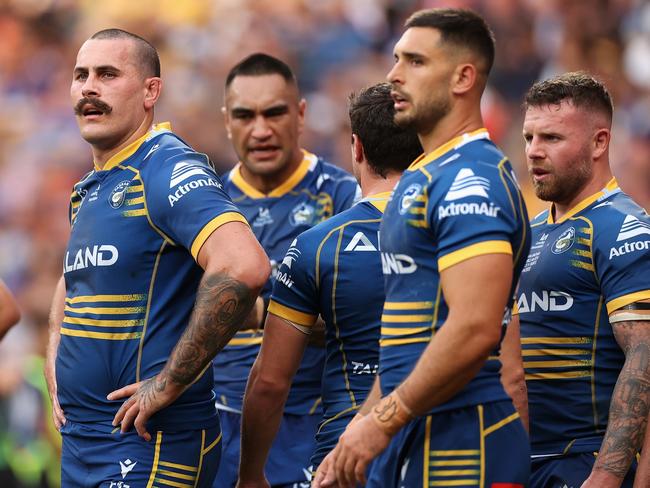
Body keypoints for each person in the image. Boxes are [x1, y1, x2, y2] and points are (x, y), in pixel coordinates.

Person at [44, 29, 270, 487]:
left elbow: (243, 266)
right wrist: (54, 353)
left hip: (148, 443)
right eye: (80, 75)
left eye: (108, 74)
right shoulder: (91, 186)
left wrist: (169, 382)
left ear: (151, 91)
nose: (89, 86)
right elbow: (77, 279)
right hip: (83, 442)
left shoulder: (166, 167)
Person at [316, 8, 531, 488]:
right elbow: (404, 336)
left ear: (463, 77)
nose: (393, 75)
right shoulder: (426, 176)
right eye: (395, 58)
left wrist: (382, 420)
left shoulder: (470, 178)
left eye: (415, 62)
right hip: (410, 430)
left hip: (463, 438)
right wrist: (362, 424)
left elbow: (475, 328)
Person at [236, 82, 422, 488]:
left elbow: (269, 382)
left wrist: (250, 475)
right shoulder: (467, 237)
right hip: (446, 446)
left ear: (356, 147)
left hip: (344, 456)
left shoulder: (318, 245)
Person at [213, 53, 359, 488]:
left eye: (274, 112)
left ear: (299, 114)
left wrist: (257, 315)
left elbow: (366, 321)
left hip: (313, 421)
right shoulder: (205, 204)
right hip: (215, 424)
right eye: (245, 115)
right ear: (227, 121)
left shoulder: (346, 199)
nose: (260, 130)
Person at [518, 72, 650, 487]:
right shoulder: (529, 232)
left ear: (599, 142)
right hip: (524, 461)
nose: (534, 152)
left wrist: (607, 473)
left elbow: (645, 356)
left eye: (552, 139)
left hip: (581, 460)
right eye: (528, 138)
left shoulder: (623, 228)